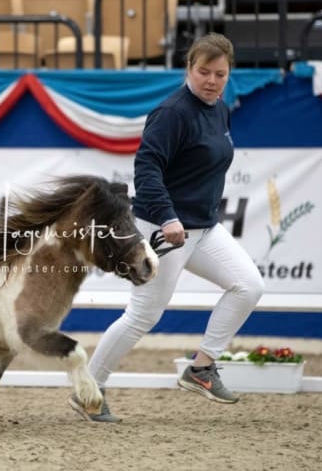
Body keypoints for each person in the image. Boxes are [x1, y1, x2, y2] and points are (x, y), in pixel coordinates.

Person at [69, 33, 264, 423]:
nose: (211, 81)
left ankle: (202, 368)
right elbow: (147, 168)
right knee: (143, 315)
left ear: (229, 75)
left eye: (220, 74)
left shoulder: (219, 108)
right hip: (162, 228)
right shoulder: (172, 112)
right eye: (204, 72)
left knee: (249, 286)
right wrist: (168, 216)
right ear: (189, 68)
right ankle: (88, 391)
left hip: (203, 228)